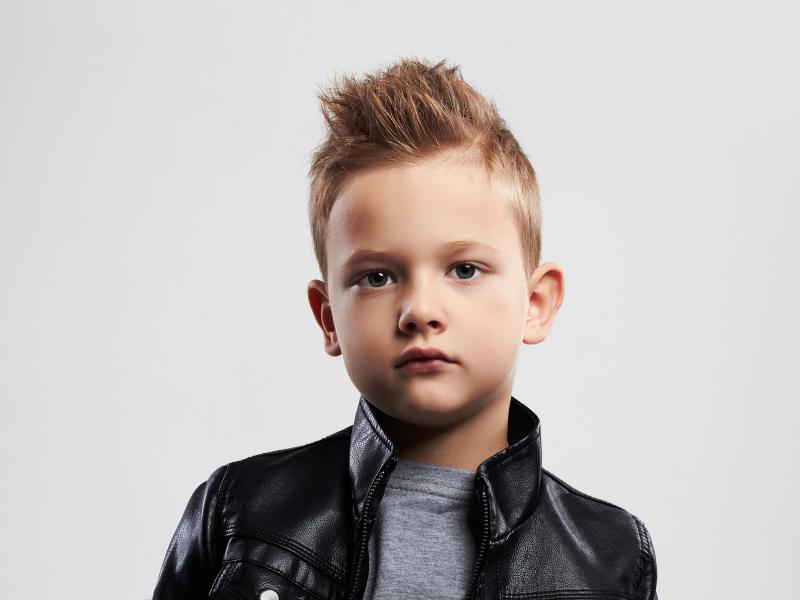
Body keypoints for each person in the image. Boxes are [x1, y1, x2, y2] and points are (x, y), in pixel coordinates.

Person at [152, 57, 658, 600]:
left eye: (464, 270)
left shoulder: (608, 559)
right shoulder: (240, 516)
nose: (419, 310)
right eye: (377, 277)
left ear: (535, 304)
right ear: (328, 318)